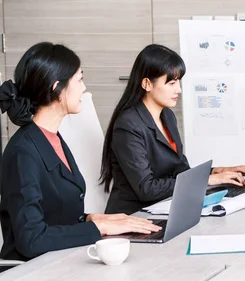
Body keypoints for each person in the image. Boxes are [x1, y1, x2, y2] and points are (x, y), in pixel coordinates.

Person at [0, 43, 160, 261]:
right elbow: (32, 239)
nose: (84, 88)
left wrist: (91, 218)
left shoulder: (53, 137)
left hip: (60, 260)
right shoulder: (23, 152)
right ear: (57, 88)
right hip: (29, 273)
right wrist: (97, 227)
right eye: (79, 79)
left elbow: (54, 213)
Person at [101, 44, 245, 215]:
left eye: (179, 82)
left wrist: (218, 171)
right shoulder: (128, 125)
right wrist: (208, 180)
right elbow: (147, 188)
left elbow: (179, 171)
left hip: (165, 205)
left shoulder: (167, 116)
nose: (179, 90)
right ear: (147, 84)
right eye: (172, 83)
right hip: (134, 215)